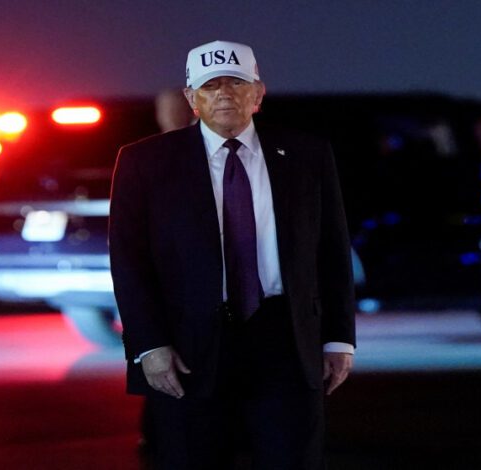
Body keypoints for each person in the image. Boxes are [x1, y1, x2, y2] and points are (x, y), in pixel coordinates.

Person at [109, 40, 356, 469]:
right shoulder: (144, 162)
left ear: (258, 93)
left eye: (236, 83)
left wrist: (339, 338)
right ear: (191, 98)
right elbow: (130, 262)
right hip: (188, 346)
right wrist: (149, 345)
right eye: (210, 86)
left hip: (286, 340)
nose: (224, 94)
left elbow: (332, 251)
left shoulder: (306, 154)